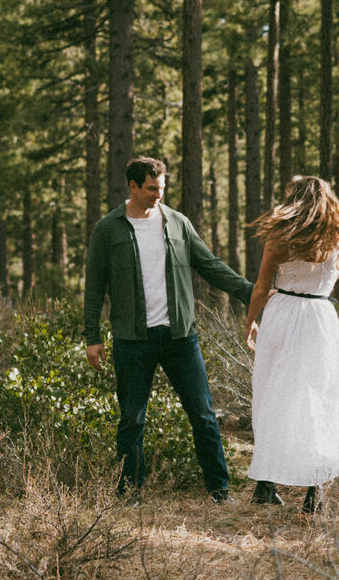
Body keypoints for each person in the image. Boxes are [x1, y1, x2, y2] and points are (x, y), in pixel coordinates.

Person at [83, 155, 255, 503]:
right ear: (132, 186)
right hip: (133, 340)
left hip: (180, 337)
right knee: (132, 420)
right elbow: (94, 285)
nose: (157, 195)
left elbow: (210, 265)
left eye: (161, 188)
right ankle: (129, 493)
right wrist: (92, 337)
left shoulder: (177, 223)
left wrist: (252, 292)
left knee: (204, 415)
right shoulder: (108, 228)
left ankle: (220, 490)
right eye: (150, 189)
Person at [244, 175, 339, 511]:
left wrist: (251, 321)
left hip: (282, 314)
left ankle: (266, 486)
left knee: (272, 396)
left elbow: (260, 286)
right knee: (320, 399)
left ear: (293, 200)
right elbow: (333, 277)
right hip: (319, 319)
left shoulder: (280, 236)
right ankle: (316, 491)